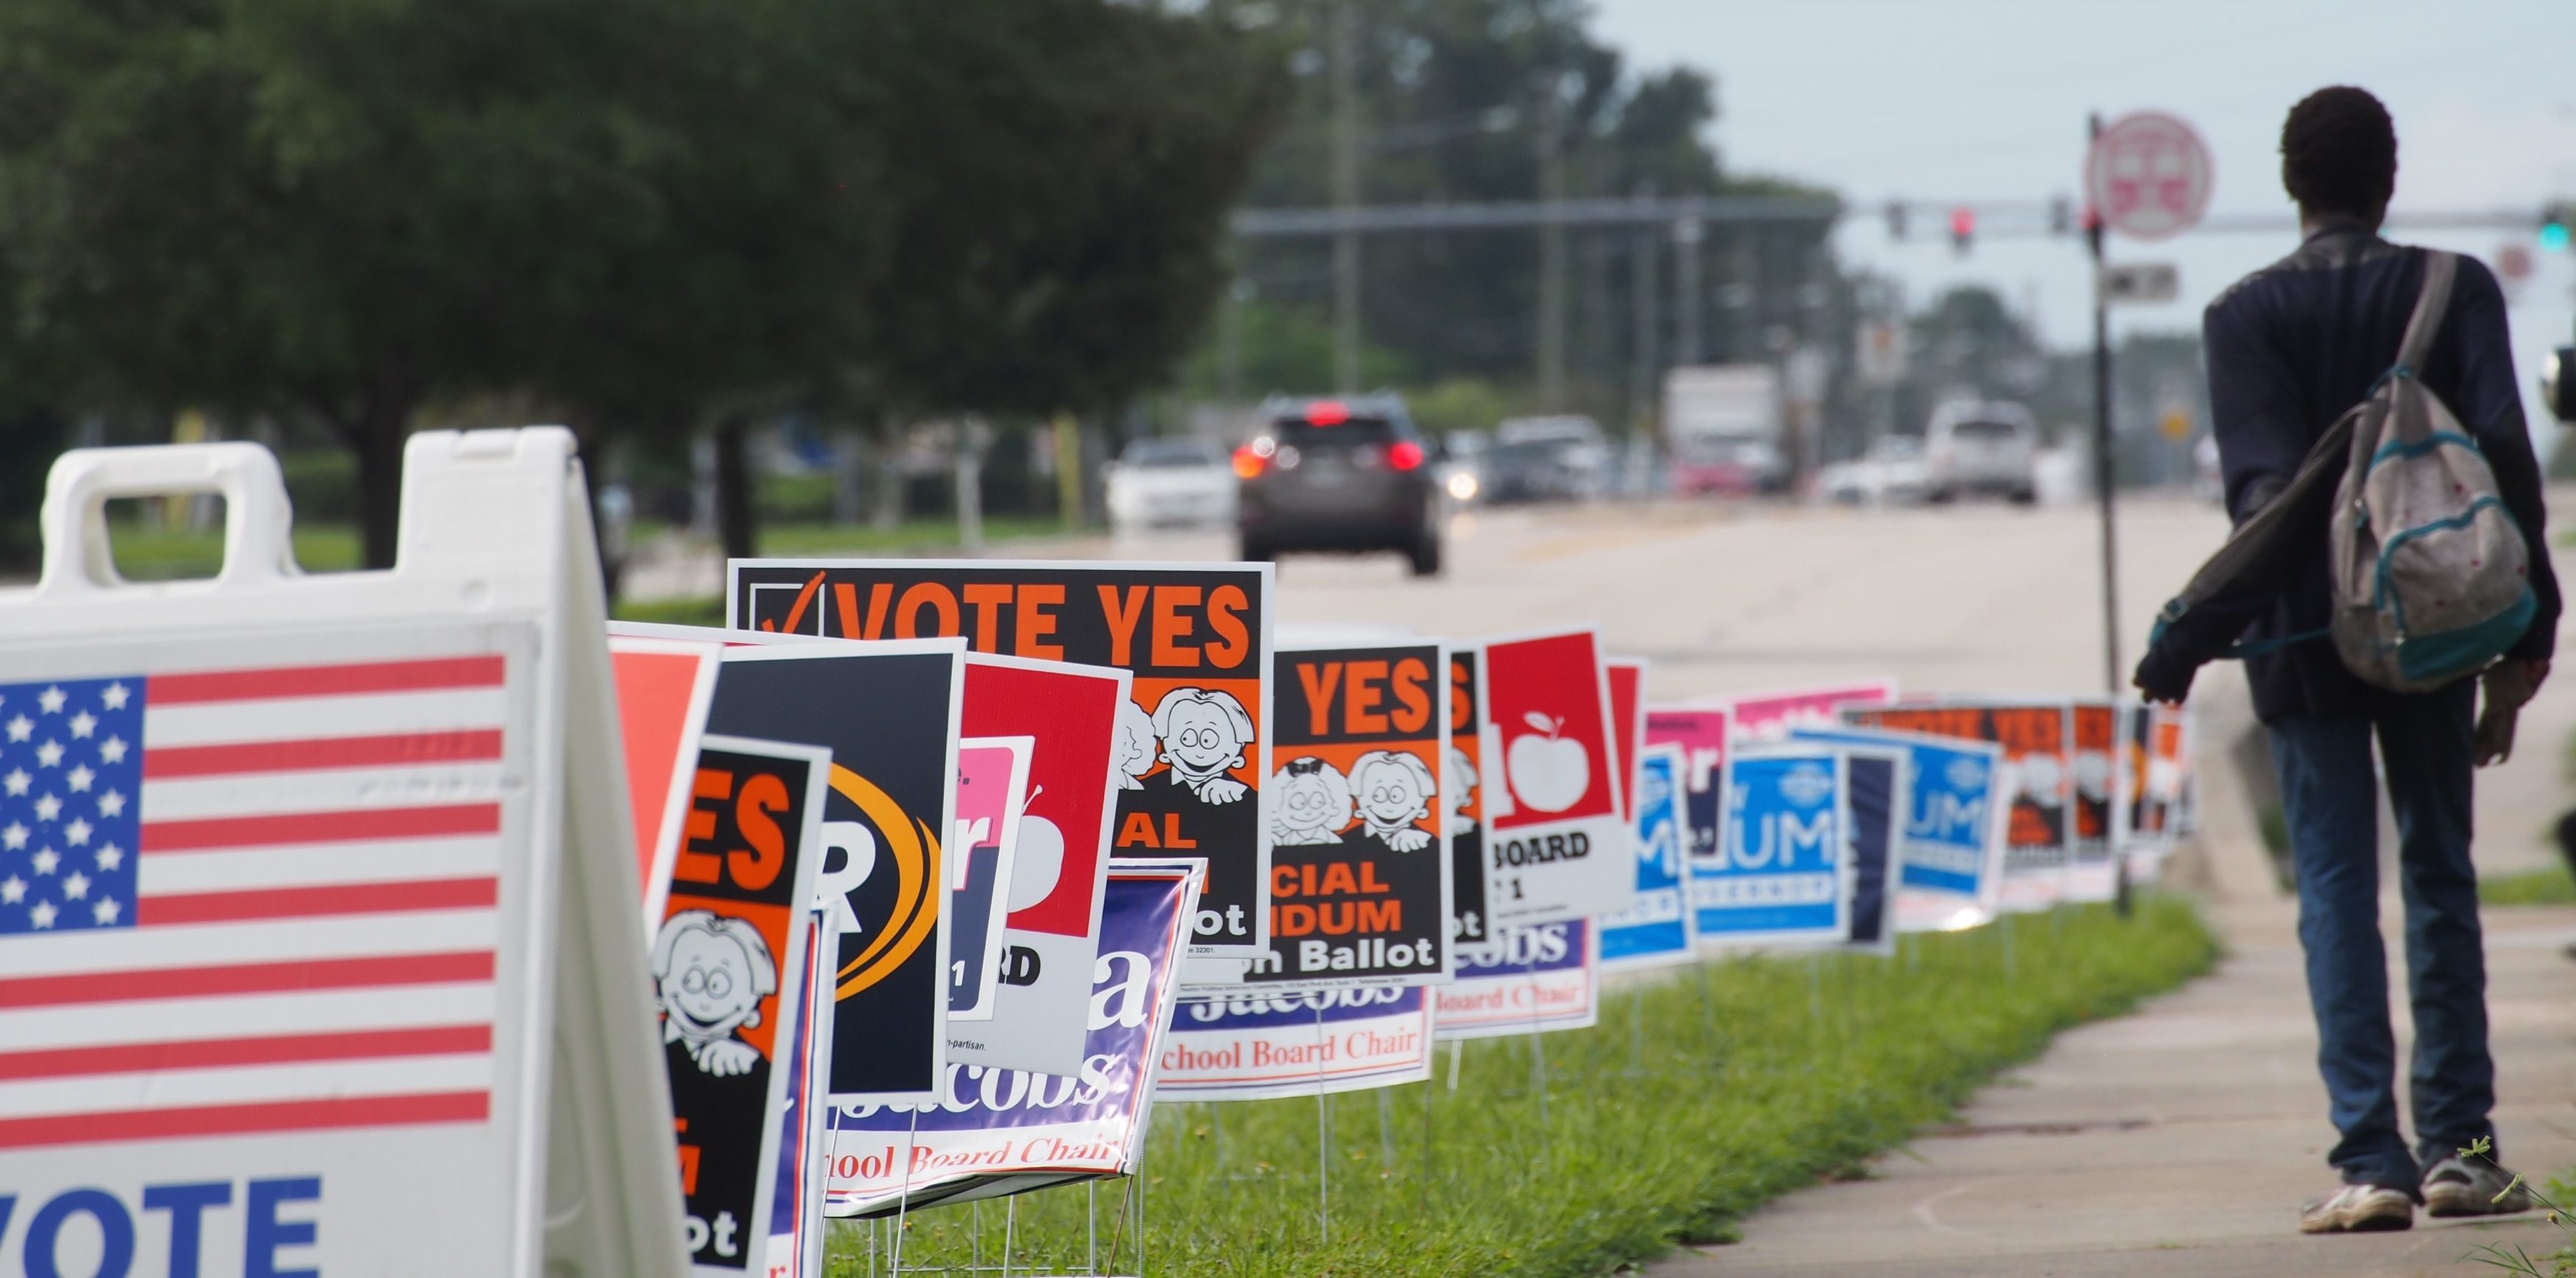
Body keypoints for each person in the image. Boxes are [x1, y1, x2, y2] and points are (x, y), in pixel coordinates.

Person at [2133, 86, 2558, 1235]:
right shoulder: (2451, 288)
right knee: (2438, 875)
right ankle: (2463, 1152)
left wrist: (2190, 629)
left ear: (2291, 184)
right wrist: (2532, 625)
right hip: (2431, 624)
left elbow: (2267, 500)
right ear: (2388, 178)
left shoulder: (2241, 314)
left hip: (2301, 638)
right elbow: (2510, 459)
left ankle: (2372, 1160)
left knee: (2333, 889)